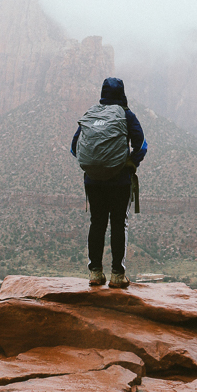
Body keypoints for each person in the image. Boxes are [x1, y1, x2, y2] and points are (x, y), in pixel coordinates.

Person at [71, 77, 147, 287]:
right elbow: (141, 145)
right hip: (119, 180)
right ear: (122, 93)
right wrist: (130, 163)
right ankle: (117, 275)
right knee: (118, 224)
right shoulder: (126, 114)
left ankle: (95, 273)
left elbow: (74, 147)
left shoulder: (91, 114)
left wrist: (94, 164)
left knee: (97, 223)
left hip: (93, 181)